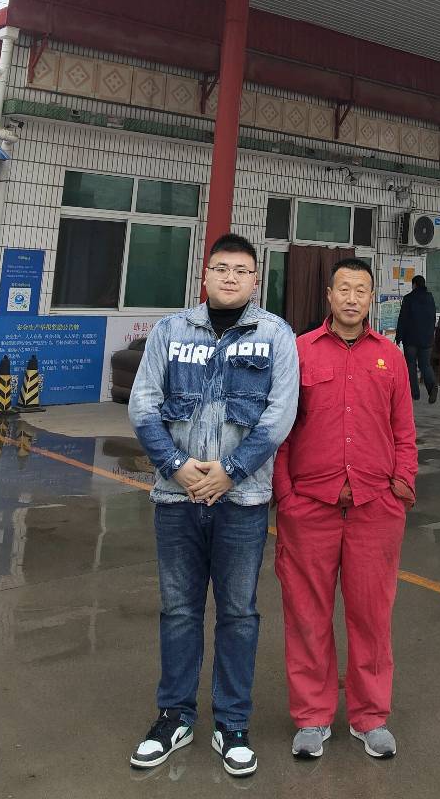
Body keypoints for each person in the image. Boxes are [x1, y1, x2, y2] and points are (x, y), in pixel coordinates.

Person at [128, 232, 299, 778]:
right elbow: (143, 405)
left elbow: (280, 415)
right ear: (205, 276)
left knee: (239, 614)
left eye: (241, 270)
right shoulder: (171, 331)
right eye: (221, 268)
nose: (230, 278)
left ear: (255, 280)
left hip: (242, 500)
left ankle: (233, 724)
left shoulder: (275, 335)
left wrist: (231, 471)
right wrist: (176, 466)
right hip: (176, 498)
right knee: (179, 610)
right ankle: (174, 716)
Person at [273, 257, 417, 762]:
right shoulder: (300, 352)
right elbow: (280, 429)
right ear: (329, 296)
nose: (352, 298)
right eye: (344, 289)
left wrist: (401, 487)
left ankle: (370, 717)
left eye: (361, 290)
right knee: (307, 616)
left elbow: (404, 430)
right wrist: (285, 495)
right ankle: (312, 717)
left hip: (375, 508)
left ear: (371, 298)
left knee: (371, 617)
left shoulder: (390, 358)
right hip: (309, 507)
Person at [395, 274, 439, 402]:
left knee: (411, 365)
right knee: (425, 365)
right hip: (427, 339)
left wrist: (399, 336)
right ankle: (432, 387)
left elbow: (403, 318)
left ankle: (414, 393)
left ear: (414, 285)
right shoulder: (430, 298)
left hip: (411, 339)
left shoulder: (409, 298)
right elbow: (433, 318)